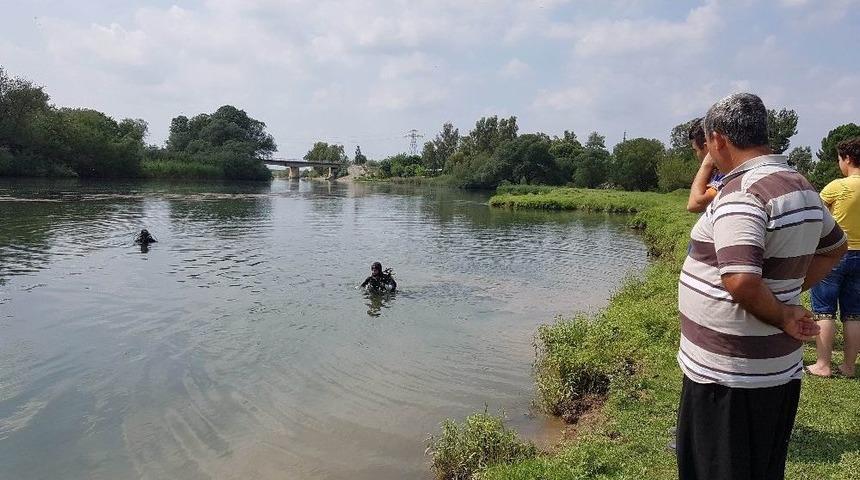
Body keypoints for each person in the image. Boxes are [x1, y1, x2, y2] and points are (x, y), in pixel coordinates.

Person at [675, 93, 847, 480]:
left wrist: (782, 310)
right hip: (768, 370)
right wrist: (784, 291)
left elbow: (740, 279)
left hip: (730, 376)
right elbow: (834, 248)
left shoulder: (742, 193)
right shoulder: (797, 183)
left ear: (717, 139)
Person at [807, 136, 860, 378]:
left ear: (847, 158)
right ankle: (849, 366)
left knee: (824, 310)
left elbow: (815, 215)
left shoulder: (837, 187)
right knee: (854, 313)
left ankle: (823, 364)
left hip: (835, 254)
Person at [686, 117, 724, 213]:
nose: (696, 155)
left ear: (707, 147)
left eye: (696, 150)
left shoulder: (725, 174)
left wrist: (706, 165)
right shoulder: (718, 172)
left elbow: (693, 205)